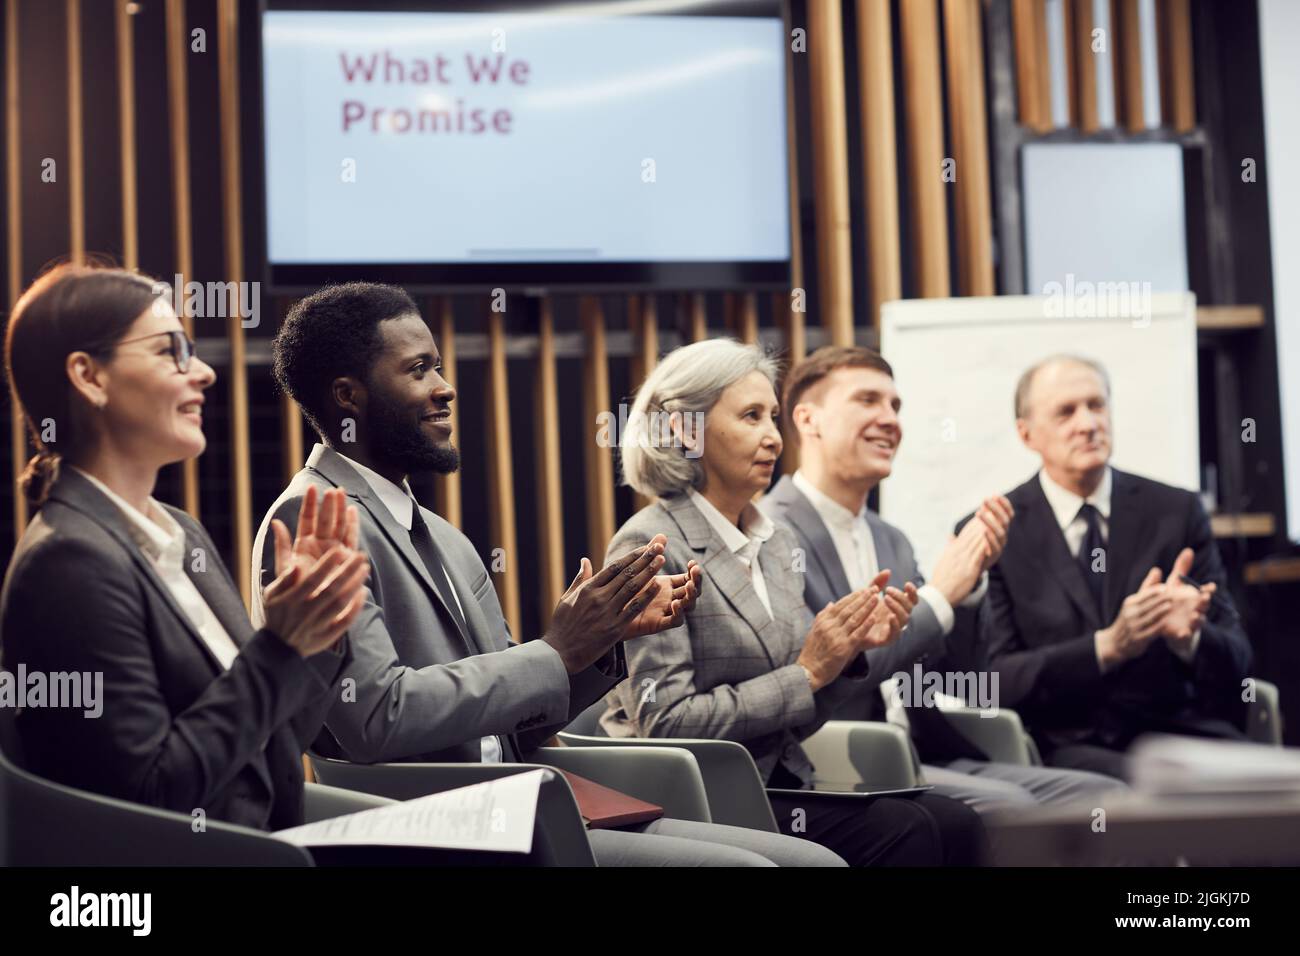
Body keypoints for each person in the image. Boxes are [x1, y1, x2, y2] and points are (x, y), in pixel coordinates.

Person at [255, 282, 846, 866]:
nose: (445, 388)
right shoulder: (314, 519)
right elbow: (375, 717)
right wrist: (556, 650)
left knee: (812, 861)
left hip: (522, 800)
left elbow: (521, 723)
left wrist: (598, 639)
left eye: (437, 367)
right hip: (433, 825)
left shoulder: (444, 537)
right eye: (417, 371)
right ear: (347, 396)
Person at [0, 264, 368, 834]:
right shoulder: (68, 564)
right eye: (171, 351)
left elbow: (273, 745)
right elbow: (149, 799)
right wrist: (278, 645)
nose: (204, 372)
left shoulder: (180, 530)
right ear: (89, 377)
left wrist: (317, 630)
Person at [602, 338, 988, 865]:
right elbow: (666, 724)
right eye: (751, 416)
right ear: (684, 429)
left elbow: (792, 716)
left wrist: (843, 658)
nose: (773, 438)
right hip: (697, 800)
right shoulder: (651, 544)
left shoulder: (776, 541)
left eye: (773, 417)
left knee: (955, 822)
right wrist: (807, 673)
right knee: (905, 831)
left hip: (779, 781)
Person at [762, 346, 1129, 810]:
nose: (890, 418)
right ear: (809, 420)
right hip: (841, 759)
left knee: (1104, 797)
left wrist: (971, 591)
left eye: (895, 406)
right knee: (1012, 808)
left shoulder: (889, 538)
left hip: (928, 748)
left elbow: (953, 677)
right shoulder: (770, 532)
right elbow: (822, 672)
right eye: (868, 400)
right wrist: (940, 596)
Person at [973, 354, 1252, 780]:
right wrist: (1108, 646)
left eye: (1097, 405)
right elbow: (996, 681)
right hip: (1068, 747)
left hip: (1182, 735)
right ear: (1026, 434)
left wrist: (1190, 640)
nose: (1087, 423)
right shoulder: (996, 531)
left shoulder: (1175, 512)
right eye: (1066, 411)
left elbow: (1239, 660)